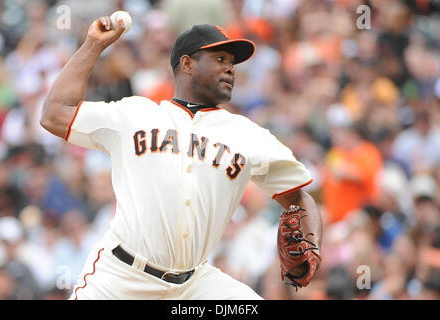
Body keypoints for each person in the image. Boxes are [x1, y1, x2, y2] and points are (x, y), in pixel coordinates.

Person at [40, 16, 323, 299]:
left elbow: (299, 198)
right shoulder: (136, 114)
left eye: (232, 63)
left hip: (193, 286)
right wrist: (93, 45)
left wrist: (313, 246)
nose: (230, 69)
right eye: (220, 58)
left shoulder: (248, 134)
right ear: (187, 64)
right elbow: (55, 113)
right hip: (119, 278)